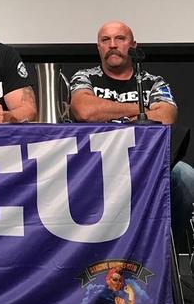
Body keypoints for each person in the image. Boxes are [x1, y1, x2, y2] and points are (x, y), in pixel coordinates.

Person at [70, 21, 194, 252]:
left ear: (133, 45)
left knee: (185, 176)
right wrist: (140, 111)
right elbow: (85, 110)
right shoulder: (85, 77)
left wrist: (107, 110)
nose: (113, 45)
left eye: (120, 39)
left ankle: (164, 251)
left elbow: (166, 116)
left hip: (147, 163)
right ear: (98, 47)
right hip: (96, 165)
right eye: (105, 40)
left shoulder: (152, 81)